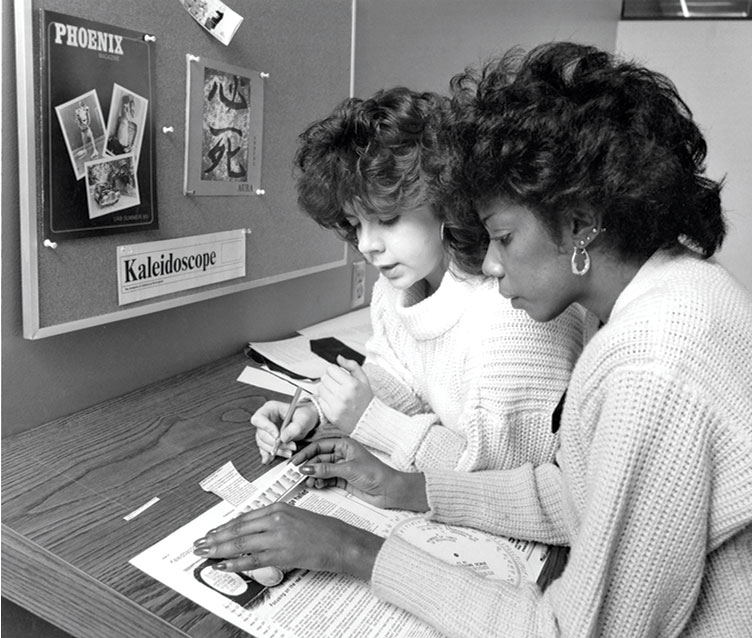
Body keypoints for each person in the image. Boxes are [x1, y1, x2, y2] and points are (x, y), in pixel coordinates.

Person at [195, 42, 752, 637]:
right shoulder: (680, 289)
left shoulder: (651, 368)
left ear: (582, 223)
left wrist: (352, 551)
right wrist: (406, 487)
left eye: (504, 237)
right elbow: (574, 495)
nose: (486, 264)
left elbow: (570, 631)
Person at [251, 86, 587, 473]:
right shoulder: (395, 289)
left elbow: (503, 476)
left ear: (445, 201)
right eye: (355, 223)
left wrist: (370, 420)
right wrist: (320, 410)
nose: (366, 245)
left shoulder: (511, 309)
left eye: (388, 219)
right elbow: (402, 381)